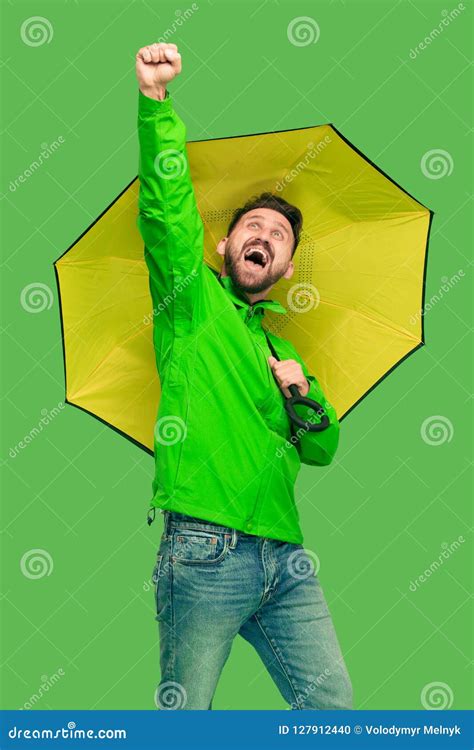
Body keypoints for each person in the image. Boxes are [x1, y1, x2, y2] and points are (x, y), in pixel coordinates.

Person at [135, 41, 352, 711]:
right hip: (204, 550)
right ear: (226, 247)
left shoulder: (283, 351)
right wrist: (156, 103)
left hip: (285, 558)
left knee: (334, 711)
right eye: (251, 226)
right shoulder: (191, 303)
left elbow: (321, 447)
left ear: (284, 269)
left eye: (278, 237)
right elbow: (168, 211)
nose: (263, 235)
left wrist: (302, 392)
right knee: (186, 721)